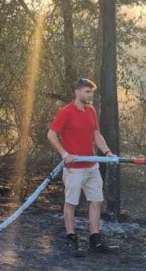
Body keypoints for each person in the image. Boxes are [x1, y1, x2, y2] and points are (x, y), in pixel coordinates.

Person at [47, 77, 119, 257]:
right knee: (71, 203)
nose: (90, 95)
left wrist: (107, 152)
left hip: (92, 165)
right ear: (77, 92)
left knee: (97, 200)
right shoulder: (66, 112)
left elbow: (97, 135)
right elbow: (51, 135)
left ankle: (95, 237)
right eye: (87, 92)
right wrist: (65, 154)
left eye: (91, 92)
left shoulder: (91, 111)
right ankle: (71, 238)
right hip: (74, 168)